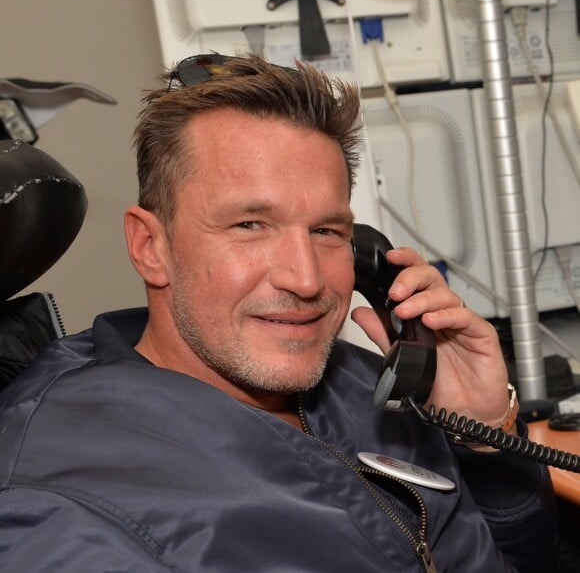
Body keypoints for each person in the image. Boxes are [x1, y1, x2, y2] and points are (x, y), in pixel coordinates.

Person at [0, 54, 556, 572]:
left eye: (326, 231)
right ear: (151, 246)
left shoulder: (367, 385)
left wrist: (484, 437)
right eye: (250, 225)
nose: (307, 279)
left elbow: (520, 560)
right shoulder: (58, 502)